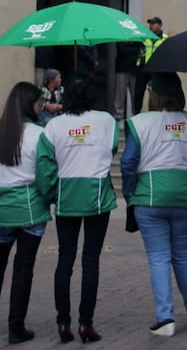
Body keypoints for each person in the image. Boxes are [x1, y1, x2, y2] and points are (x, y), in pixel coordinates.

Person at [120, 72, 187, 337]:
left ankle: (165, 318)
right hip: (185, 196)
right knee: (183, 253)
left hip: (149, 197)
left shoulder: (139, 124)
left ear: (154, 94)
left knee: (159, 257)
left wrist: (130, 192)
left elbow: (128, 162)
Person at [0, 81, 56, 344]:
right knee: (24, 268)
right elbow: (45, 176)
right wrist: (51, 197)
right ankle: (15, 327)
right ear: (31, 105)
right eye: (39, 102)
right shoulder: (39, 134)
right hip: (30, 209)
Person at [43, 79, 117, 343]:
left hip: (66, 196)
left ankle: (63, 323)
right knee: (90, 261)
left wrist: (51, 192)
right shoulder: (106, 120)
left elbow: (45, 162)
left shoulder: (53, 125)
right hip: (97, 195)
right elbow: (113, 148)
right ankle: (86, 323)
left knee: (65, 260)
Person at [132, 16, 169, 115]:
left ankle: (156, 113)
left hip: (157, 69)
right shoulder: (144, 36)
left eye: (153, 23)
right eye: (150, 24)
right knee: (138, 92)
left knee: (156, 93)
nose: (151, 26)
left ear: (160, 25)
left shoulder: (165, 38)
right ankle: (136, 113)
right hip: (143, 68)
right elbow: (134, 48)